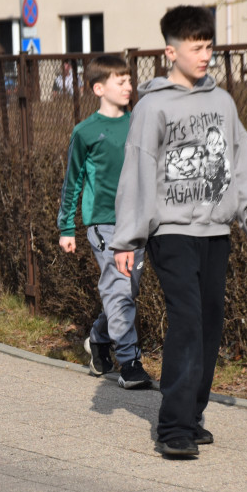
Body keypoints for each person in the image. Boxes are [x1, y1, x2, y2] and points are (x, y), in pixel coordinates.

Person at [111, 6, 247, 458]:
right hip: (172, 232)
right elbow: (138, 173)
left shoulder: (222, 102)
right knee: (186, 320)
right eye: (196, 47)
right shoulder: (153, 106)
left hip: (215, 232)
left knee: (208, 323)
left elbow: (241, 161)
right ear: (171, 51)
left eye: (209, 47)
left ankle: (193, 414)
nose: (205, 55)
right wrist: (128, 238)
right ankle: (172, 428)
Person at [56, 55, 151, 390]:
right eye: (119, 81)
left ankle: (98, 337)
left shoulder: (140, 122)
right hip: (103, 223)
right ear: (99, 88)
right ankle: (130, 362)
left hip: (137, 221)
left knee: (126, 290)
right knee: (120, 290)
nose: (128, 86)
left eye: (129, 80)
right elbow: (73, 180)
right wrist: (66, 227)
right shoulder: (85, 132)